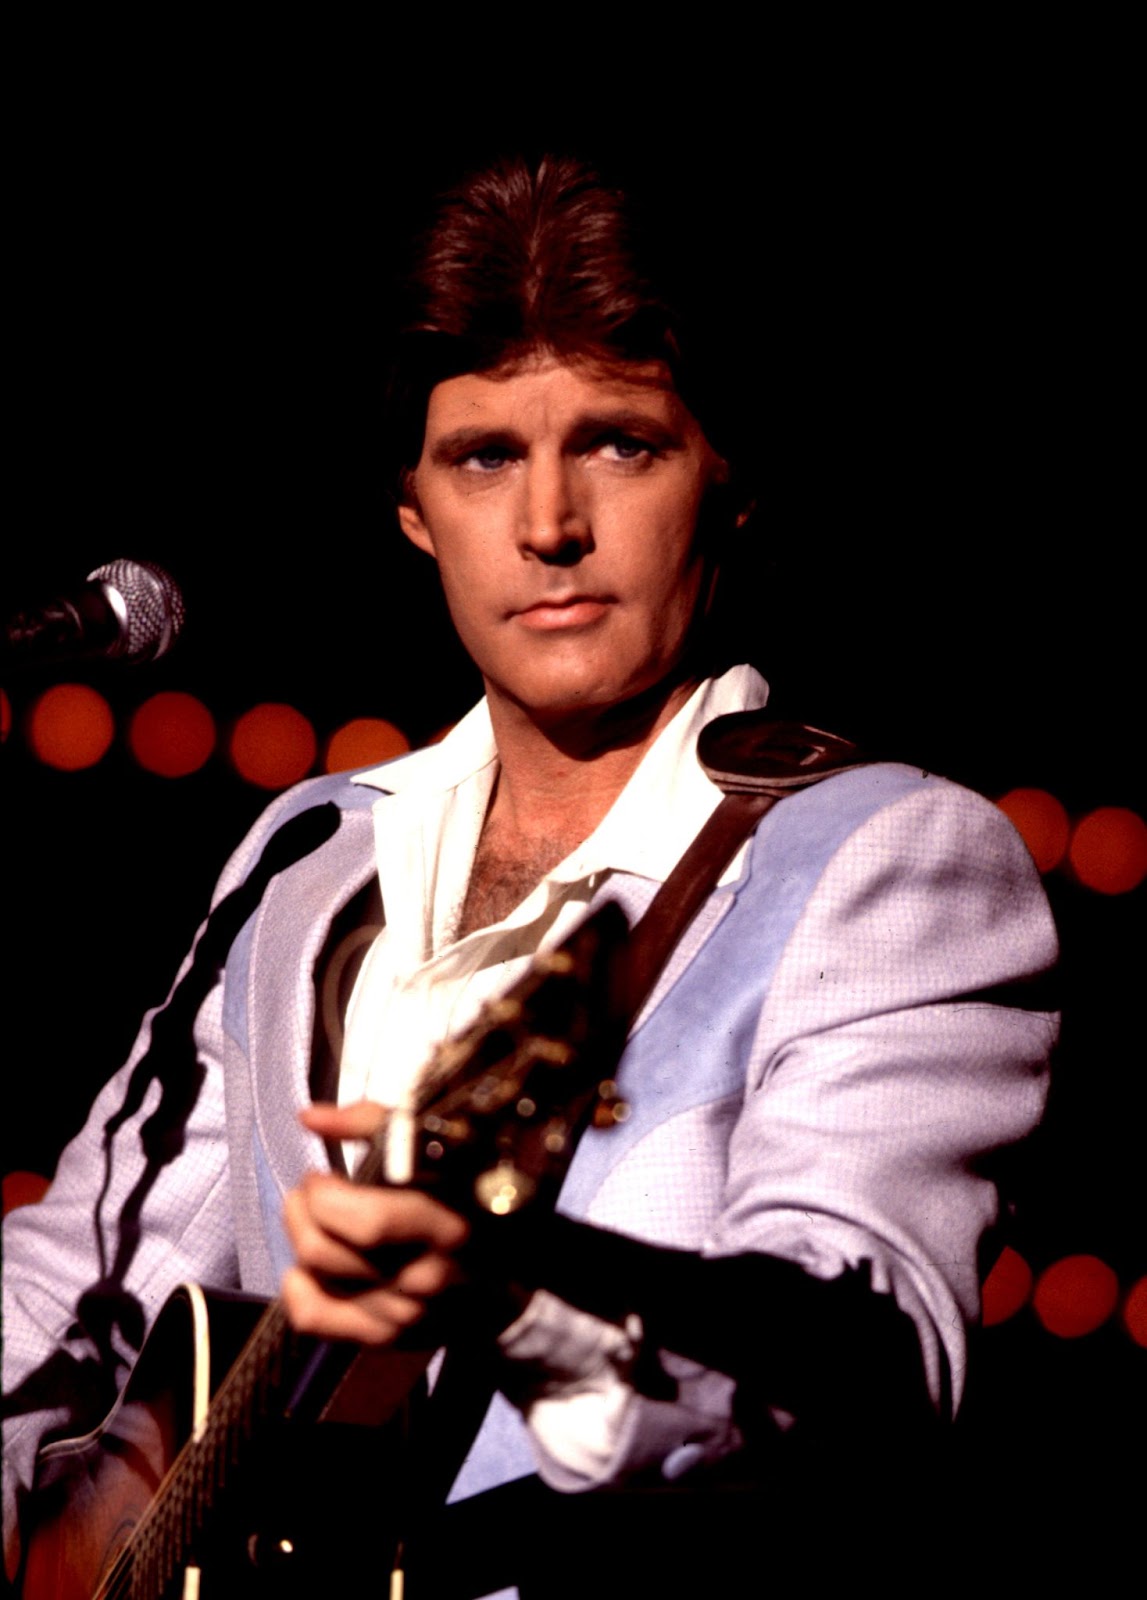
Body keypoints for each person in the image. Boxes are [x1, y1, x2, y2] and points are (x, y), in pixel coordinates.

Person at [3, 155, 1058, 1598]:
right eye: (485, 455)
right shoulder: (311, 849)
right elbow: (73, 1278)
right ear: (413, 512)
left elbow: (863, 1361)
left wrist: (511, 1288)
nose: (550, 523)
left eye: (621, 444)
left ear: (727, 482)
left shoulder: (885, 859)